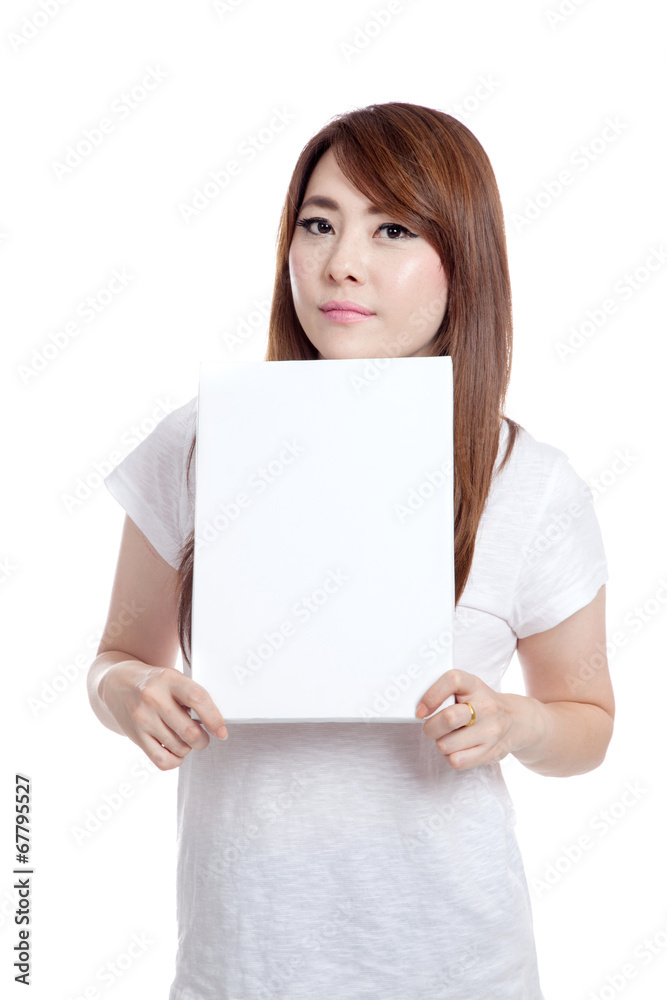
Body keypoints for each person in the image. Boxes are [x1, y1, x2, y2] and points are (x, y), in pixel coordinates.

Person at [87, 102, 615, 999]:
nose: (341, 262)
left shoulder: (529, 481)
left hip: (455, 968)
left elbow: (588, 722)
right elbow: (116, 657)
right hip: (240, 964)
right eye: (318, 223)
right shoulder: (200, 441)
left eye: (393, 228)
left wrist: (515, 723)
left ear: (463, 257)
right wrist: (131, 692)